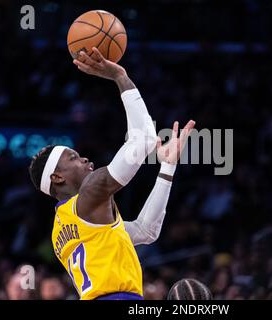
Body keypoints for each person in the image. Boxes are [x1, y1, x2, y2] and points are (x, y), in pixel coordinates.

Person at [28, 47, 195, 300]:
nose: (84, 158)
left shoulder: (62, 229)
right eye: (73, 157)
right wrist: (120, 76)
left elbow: (146, 231)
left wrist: (168, 166)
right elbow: (145, 138)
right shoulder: (90, 194)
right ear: (57, 177)